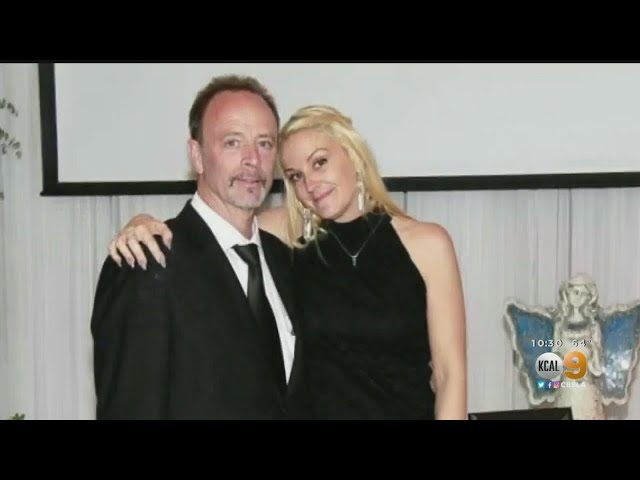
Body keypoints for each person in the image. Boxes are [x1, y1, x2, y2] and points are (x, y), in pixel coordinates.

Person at [110, 104, 468, 419]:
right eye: (296, 175)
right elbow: (208, 227)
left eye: (320, 162)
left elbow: (449, 375)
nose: (310, 183)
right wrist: (141, 223)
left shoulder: (427, 244)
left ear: (354, 155)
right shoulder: (288, 237)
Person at [90, 74, 308, 419]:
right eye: (233, 142)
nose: (252, 159)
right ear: (197, 155)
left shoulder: (285, 261)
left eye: (265, 143)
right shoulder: (149, 262)